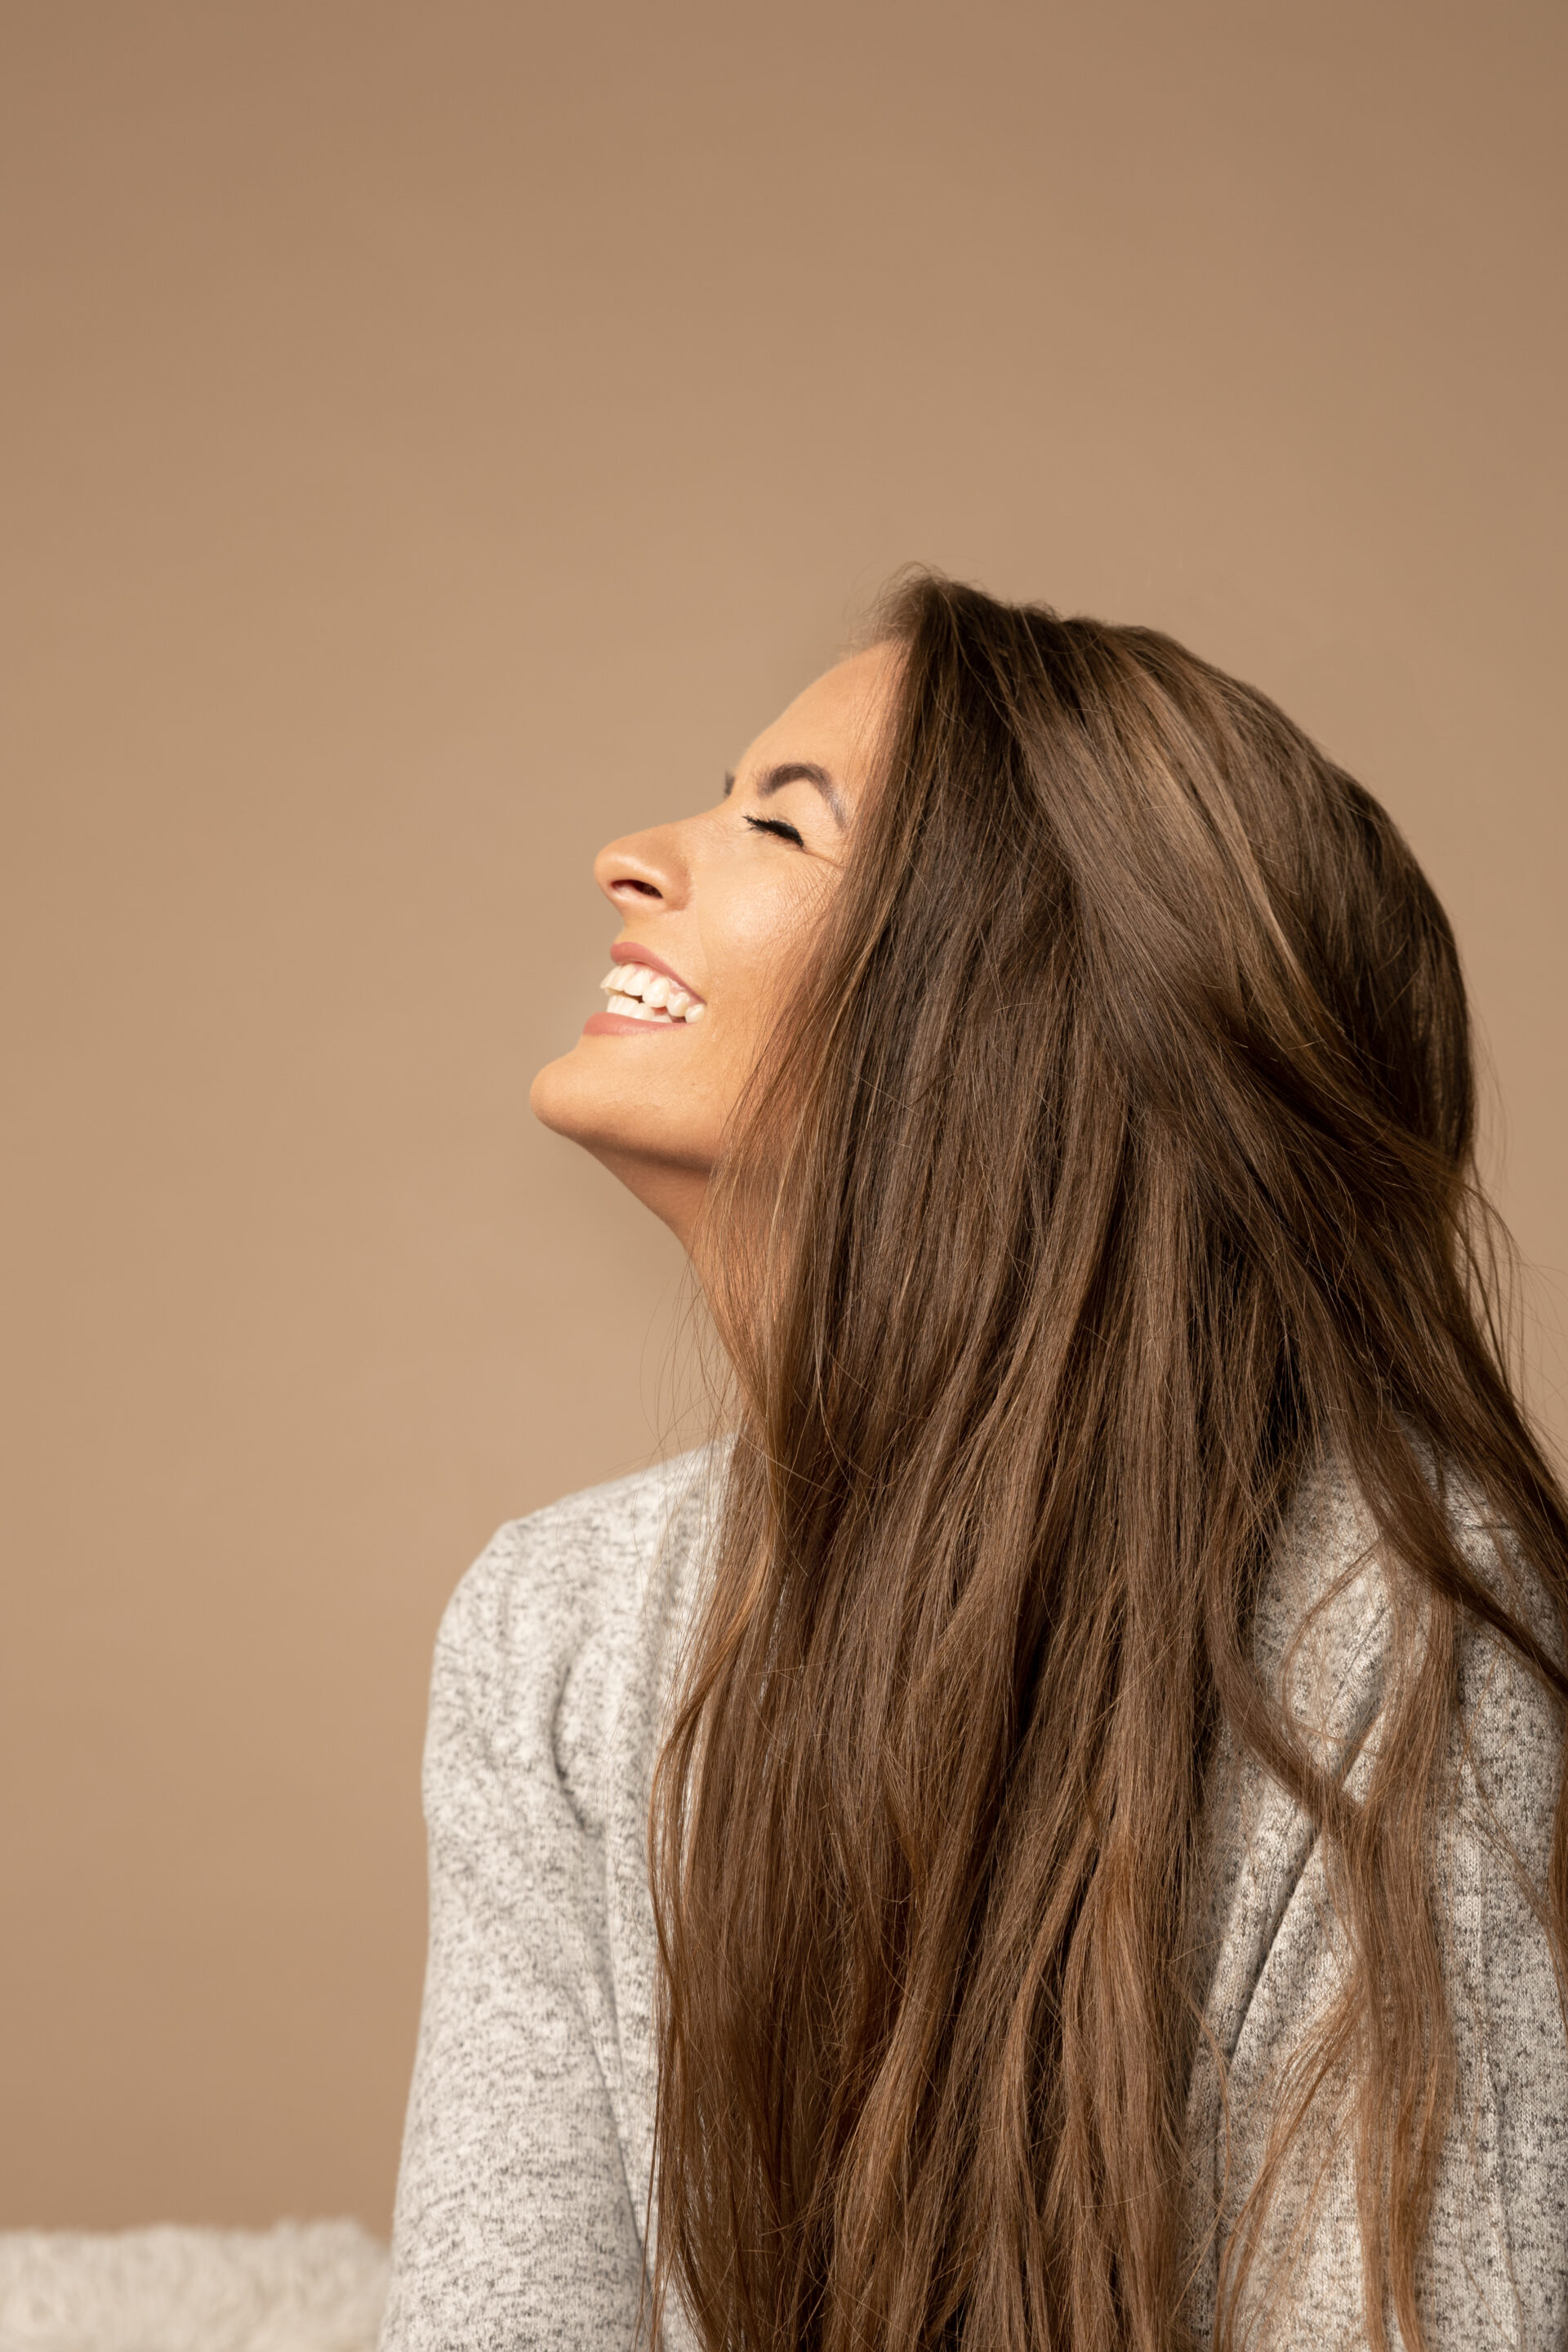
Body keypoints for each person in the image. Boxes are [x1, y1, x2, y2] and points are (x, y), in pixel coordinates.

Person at [378, 577, 1568, 2352]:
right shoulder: (552, 1629)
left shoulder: (1391, 1640)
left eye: (783, 823)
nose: (631, 859)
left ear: (1019, 1014)